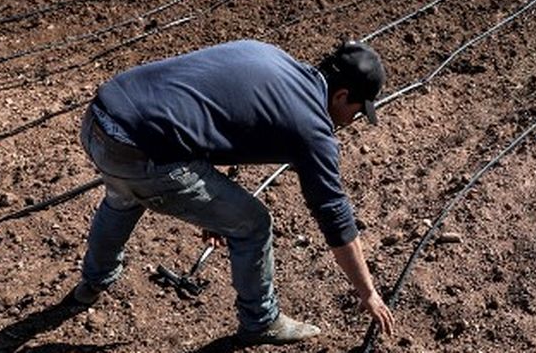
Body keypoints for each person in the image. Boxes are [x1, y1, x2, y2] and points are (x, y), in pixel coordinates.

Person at [71, 39, 394, 345]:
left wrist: (212, 213)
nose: (352, 121)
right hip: (143, 154)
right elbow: (333, 212)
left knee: (123, 197)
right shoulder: (313, 130)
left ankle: (94, 282)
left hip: (100, 118)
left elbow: (215, 113)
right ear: (341, 96)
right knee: (253, 224)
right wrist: (368, 292)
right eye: (357, 111)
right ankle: (261, 321)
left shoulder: (270, 55)